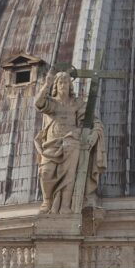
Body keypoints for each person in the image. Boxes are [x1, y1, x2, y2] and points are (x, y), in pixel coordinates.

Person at [34, 71, 105, 214]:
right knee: (45, 172)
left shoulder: (76, 104)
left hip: (72, 142)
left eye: (66, 82)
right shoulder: (52, 103)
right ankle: (48, 200)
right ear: (55, 85)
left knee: (69, 175)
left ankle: (65, 205)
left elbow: (93, 121)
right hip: (51, 144)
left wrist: (95, 133)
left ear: (70, 85)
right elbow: (38, 103)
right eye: (60, 82)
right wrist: (46, 84)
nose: (63, 85)